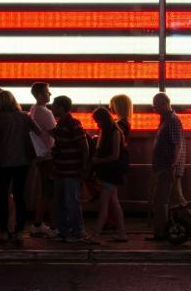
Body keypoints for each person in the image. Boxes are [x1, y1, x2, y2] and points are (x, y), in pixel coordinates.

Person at [0, 91, 43, 246]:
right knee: (19, 196)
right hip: (22, 162)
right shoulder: (24, 116)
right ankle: (19, 232)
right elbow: (38, 132)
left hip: (3, 162)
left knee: (3, 196)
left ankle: (4, 231)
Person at [148, 92, 191, 242]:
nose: (154, 108)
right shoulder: (167, 120)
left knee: (161, 200)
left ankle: (161, 232)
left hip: (168, 167)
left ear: (164, 104)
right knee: (176, 198)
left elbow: (177, 146)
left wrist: (173, 166)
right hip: (166, 167)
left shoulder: (172, 121)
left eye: (156, 105)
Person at [50, 95, 90, 243]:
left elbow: (84, 146)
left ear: (61, 107)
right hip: (65, 169)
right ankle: (68, 231)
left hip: (68, 170)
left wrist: (84, 166)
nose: (52, 107)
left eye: (54, 105)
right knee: (65, 201)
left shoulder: (71, 124)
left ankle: (75, 232)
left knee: (69, 202)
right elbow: (83, 146)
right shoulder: (62, 124)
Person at [87, 107, 128, 244]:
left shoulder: (114, 133)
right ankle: (122, 233)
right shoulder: (112, 131)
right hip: (111, 172)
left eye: (97, 121)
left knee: (104, 204)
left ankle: (96, 235)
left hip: (110, 173)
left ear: (103, 120)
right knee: (114, 203)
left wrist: (98, 160)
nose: (97, 124)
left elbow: (115, 155)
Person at [28, 82, 57, 238]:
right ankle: (53, 226)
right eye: (47, 92)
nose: (50, 94)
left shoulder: (33, 109)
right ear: (39, 95)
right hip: (48, 155)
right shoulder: (45, 112)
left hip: (40, 155)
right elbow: (55, 133)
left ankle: (38, 223)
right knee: (49, 191)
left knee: (45, 190)